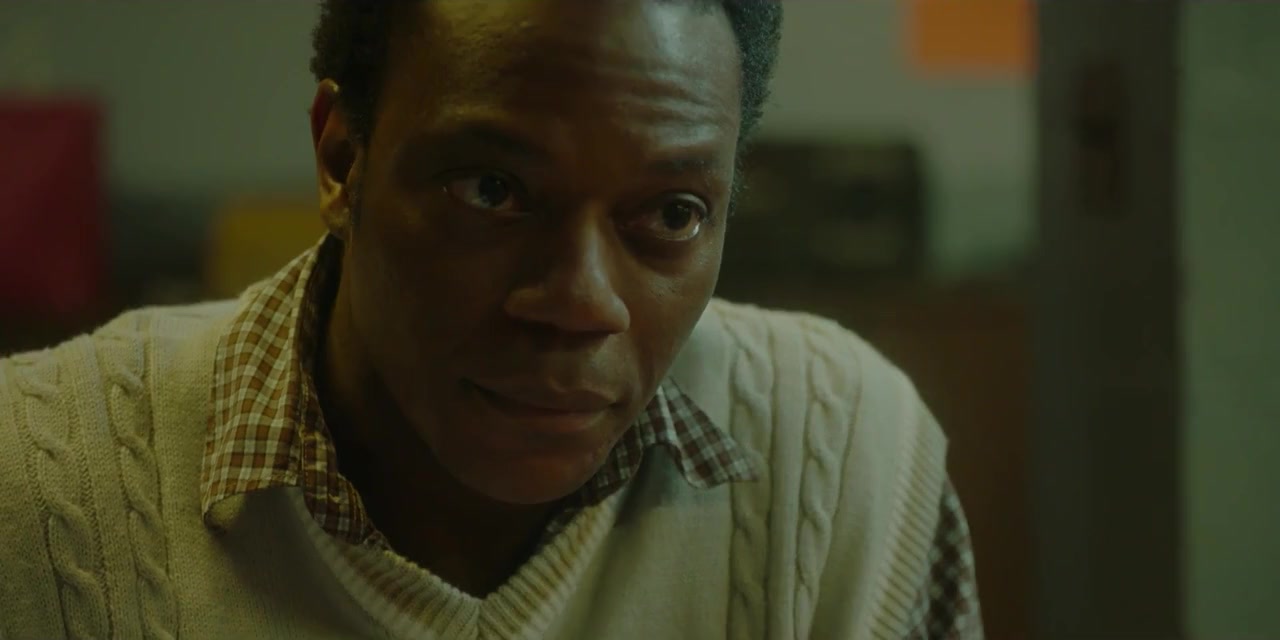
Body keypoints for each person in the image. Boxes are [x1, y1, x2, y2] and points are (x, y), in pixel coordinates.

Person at [0, 1, 983, 638]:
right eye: (492, 190)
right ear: (342, 159)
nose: (580, 303)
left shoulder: (843, 461)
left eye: (673, 214)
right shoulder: (44, 487)